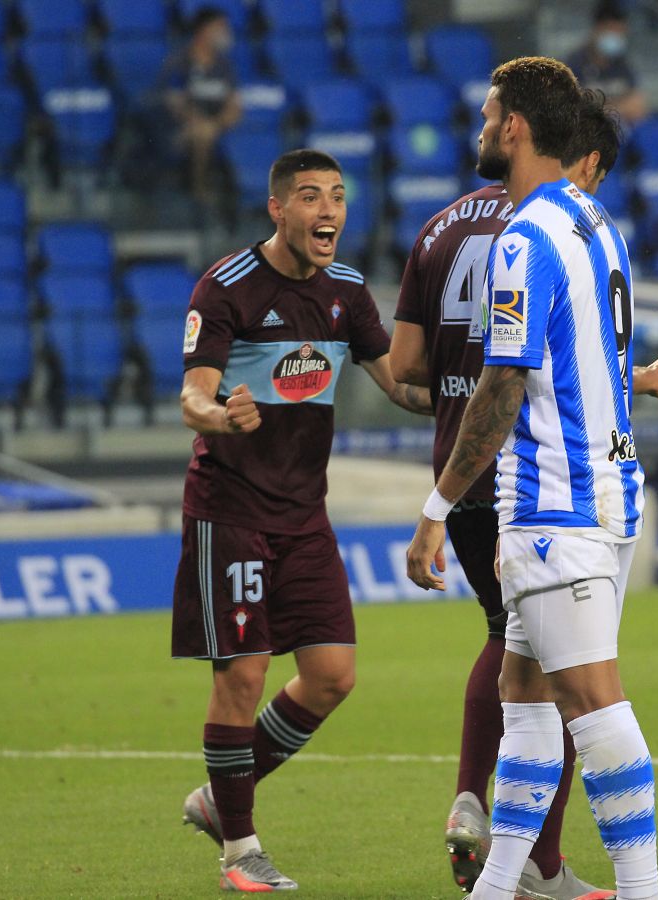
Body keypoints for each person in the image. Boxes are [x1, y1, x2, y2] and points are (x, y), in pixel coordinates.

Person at [391, 89, 658, 898]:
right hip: (594, 490)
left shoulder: (523, 237)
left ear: (515, 128)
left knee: (592, 704)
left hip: (555, 503)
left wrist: (436, 509)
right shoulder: (595, 223)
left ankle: (642, 891)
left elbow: (502, 386)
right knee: (522, 700)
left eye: (490, 116)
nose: (482, 129)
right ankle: (497, 889)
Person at [171, 148, 433, 892]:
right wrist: (221, 415)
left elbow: (398, 387)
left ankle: (218, 800)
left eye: (339, 197)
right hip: (232, 511)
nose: (328, 211)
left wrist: (469, 398)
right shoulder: (226, 288)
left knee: (330, 677)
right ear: (277, 208)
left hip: (303, 515)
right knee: (242, 679)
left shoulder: (347, 290)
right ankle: (239, 851)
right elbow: (191, 396)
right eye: (312, 197)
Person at [162, 6, 243, 201]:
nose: (226, 33)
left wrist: (216, 124)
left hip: (217, 127)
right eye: (221, 27)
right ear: (204, 30)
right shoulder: (180, 62)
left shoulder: (224, 66)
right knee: (201, 134)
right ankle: (199, 194)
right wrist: (200, 122)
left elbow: (234, 105)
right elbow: (175, 103)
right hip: (181, 128)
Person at [567, 1, 647, 125]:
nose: (616, 36)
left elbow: (637, 108)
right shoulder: (574, 64)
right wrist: (620, 107)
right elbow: (573, 111)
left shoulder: (623, 64)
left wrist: (600, 109)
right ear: (596, 29)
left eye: (620, 32)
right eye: (611, 30)